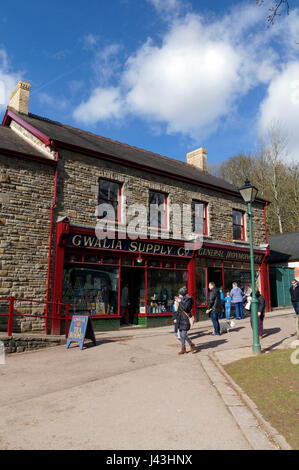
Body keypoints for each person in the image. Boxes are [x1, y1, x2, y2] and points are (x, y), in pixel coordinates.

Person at [174, 287, 195, 355]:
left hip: (185, 318)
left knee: (183, 334)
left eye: (180, 294)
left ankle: (191, 344)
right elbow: (178, 310)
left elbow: (186, 308)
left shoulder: (188, 299)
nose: (179, 295)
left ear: (182, 293)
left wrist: (180, 302)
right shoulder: (181, 299)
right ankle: (183, 349)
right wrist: (175, 317)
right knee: (181, 334)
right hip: (180, 318)